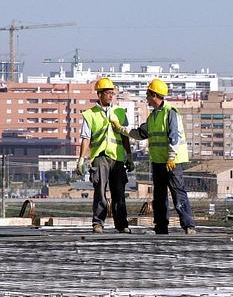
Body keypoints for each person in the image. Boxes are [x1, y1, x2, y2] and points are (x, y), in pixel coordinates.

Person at [111, 78, 196, 235]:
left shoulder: (170, 113)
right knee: (159, 197)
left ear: (154, 95)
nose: (147, 98)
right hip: (158, 162)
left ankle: (188, 225)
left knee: (178, 193)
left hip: (172, 162)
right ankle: (161, 226)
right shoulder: (154, 116)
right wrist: (121, 129)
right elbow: (140, 133)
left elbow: (174, 137)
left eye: (148, 95)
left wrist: (171, 158)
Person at [76, 77, 134, 234]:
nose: (110, 96)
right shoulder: (90, 114)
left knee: (119, 193)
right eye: (107, 93)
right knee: (100, 191)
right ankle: (98, 223)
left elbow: (125, 136)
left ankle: (122, 224)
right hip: (100, 156)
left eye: (112, 93)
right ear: (99, 94)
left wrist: (129, 155)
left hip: (118, 157)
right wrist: (82, 158)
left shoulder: (120, 112)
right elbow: (86, 137)